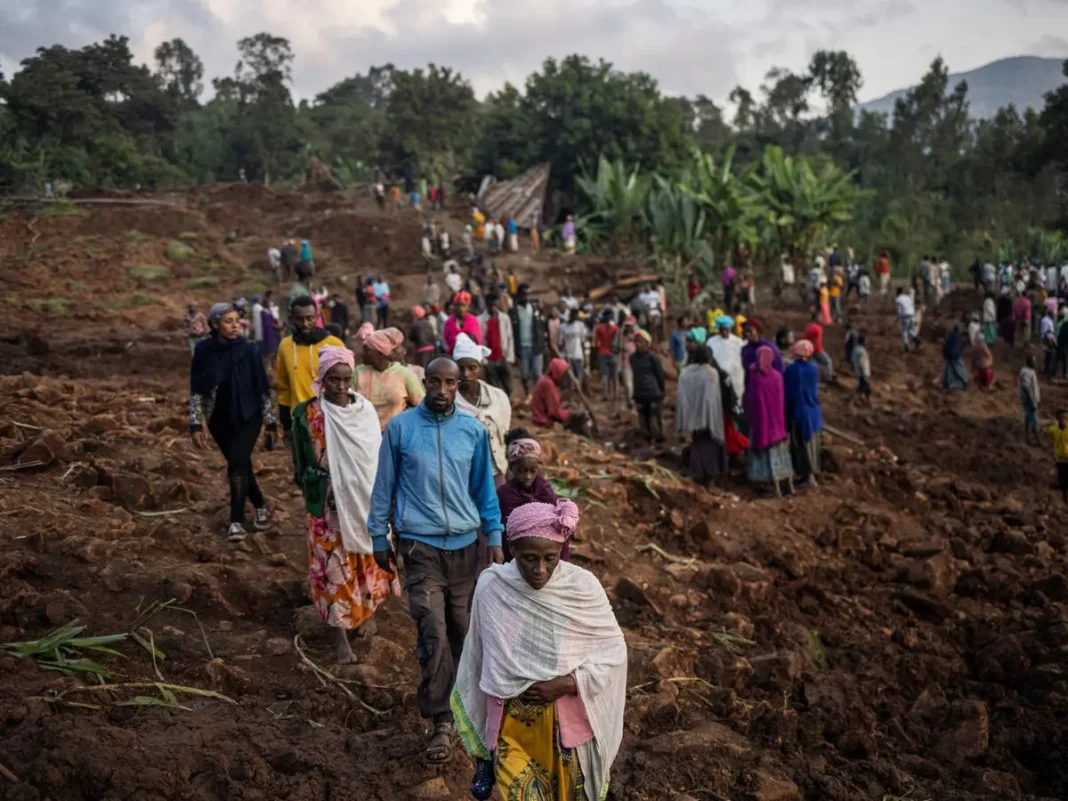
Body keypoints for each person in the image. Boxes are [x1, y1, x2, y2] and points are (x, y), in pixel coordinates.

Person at [368, 356, 504, 764]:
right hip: (419, 547)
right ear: (423, 382)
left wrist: (494, 534)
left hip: (466, 549)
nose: (443, 390)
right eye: (436, 382)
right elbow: (384, 485)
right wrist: (379, 535)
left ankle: (472, 712)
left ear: (458, 385)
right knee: (433, 629)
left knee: (463, 630)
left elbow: (484, 490)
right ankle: (441, 721)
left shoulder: (472, 430)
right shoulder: (401, 428)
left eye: (451, 383)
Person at [451, 499, 626, 801]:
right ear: (513, 549)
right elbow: (481, 655)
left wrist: (567, 683)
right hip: (510, 725)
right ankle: (487, 763)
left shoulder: (581, 589)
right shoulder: (492, 587)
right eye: (529, 558)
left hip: (563, 728)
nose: (540, 569)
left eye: (550, 558)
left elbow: (612, 653)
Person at [290, 346, 400, 663]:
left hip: (364, 502)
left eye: (345, 379)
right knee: (333, 568)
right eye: (333, 379)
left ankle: (367, 613)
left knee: (367, 558)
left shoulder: (363, 411)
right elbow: (301, 462)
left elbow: (374, 459)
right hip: (327, 509)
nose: (339, 386)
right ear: (322, 379)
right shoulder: (307, 414)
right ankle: (340, 638)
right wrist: (323, 485)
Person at [189, 304, 275, 541]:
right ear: (215, 325)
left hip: (249, 415)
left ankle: (236, 520)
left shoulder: (249, 350)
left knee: (236, 463)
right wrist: (196, 425)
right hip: (218, 418)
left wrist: (270, 423)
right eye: (228, 321)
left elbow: (262, 389)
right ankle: (259, 504)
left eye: (237, 320)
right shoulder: (204, 351)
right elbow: (196, 390)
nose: (235, 325)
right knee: (241, 464)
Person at [277, 296, 345, 444]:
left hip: (331, 417)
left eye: (310, 318)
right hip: (299, 420)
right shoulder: (285, 346)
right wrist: (286, 426)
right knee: (302, 465)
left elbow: (347, 383)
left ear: (318, 317)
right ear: (291, 319)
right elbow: (284, 388)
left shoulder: (334, 344)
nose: (305, 324)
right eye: (299, 319)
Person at [454, 334, 512, 486]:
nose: (466, 374)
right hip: (462, 476)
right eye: (460, 368)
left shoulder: (497, 397)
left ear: (479, 369)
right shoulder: (448, 401)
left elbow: (504, 435)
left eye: (472, 368)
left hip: (495, 471)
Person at [496, 432, 562, 561]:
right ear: (511, 467)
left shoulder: (545, 491)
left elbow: (557, 526)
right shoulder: (504, 495)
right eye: (522, 470)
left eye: (533, 470)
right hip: (514, 556)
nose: (528, 476)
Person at [676, 335, 727, 485]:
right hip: (710, 418)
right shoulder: (712, 373)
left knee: (697, 445)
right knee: (711, 447)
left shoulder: (686, 372)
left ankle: (697, 473)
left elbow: (682, 396)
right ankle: (710, 476)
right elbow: (714, 398)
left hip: (693, 417)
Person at [354, 328, 426, 431]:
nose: (364, 354)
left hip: (396, 434)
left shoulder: (403, 374)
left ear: (380, 353)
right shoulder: (358, 373)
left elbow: (422, 405)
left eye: (368, 350)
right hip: (364, 434)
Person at [745, 346, 794, 497]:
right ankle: (789, 486)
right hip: (778, 424)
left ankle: (775, 488)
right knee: (782, 456)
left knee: (767, 457)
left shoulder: (756, 379)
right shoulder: (778, 377)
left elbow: (754, 403)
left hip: (762, 425)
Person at [784, 340, 823, 488]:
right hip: (813, 411)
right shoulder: (814, 368)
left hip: (799, 412)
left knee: (798, 445)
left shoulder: (792, 370)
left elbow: (789, 394)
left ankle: (808, 477)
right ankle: (807, 474)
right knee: (809, 445)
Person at [630, 331, 666, 443]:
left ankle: (659, 439)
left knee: (654, 418)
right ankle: (647, 440)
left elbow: (660, 375)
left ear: (647, 343)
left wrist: (661, 391)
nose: (638, 344)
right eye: (636, 342)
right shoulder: (633, 358)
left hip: (653, 392)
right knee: (643, 420)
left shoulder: (653, 358)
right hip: (640, 393)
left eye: (640, 342)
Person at [478, 293, 515, 397]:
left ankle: (508, 403)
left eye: (495, 305)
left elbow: (509, 338)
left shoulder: (504, 318)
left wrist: (509, 357)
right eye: (491, 305)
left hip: (503, 357)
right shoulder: (480, 320)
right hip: (490, 360)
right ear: (487, 305)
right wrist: (484, 360)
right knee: (494, 387)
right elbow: (480, 341)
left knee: (508, 386)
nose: (493, 308)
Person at [531, 359, 575, 429]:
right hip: (543, 420)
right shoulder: (549, 384)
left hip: (539, 416)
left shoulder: (545, 379)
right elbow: (554, 412)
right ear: (557, 373)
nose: (564, 378)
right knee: (577, 417)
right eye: (563, 374)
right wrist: (570, 413)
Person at [594, 309, 620, 402]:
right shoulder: (615, 328)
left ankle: (605, 395)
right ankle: (615, 395)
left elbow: (596, 343)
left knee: (604, 375)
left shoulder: (598, 327)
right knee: (614, 376)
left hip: (602, 353)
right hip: (613, 353)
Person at [560, 309, 588, 388]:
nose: (574, 317)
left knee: (579, 378)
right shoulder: (563, 327)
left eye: (575, 315)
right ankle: (571, 398)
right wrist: (563, 342)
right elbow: (560, 343)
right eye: (572, 315)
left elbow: (582, 342)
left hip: (579, 355)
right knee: (569, 379)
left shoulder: (580, 325)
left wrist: (585, 357)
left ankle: (577, 397)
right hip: (568, 356)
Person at [1019, 355, 1041, 446]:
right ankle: (1038, 441)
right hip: (1029, 401)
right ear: (1030, 362)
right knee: (1034, 420)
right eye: (1034, 361)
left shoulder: (1028, 370)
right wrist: (1032, 401)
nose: (1036, 363)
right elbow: (1025, 386)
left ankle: (1027, 438)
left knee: (1028, 419)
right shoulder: (1027, 372)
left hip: (1029, 400)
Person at [942, 322, 968, 391]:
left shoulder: (950, 336)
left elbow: (945, 346)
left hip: (948, 356)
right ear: (959, 330)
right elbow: (956, 348)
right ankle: (961, 383)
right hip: (955, 357)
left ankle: (947, 385)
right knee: (960, 370)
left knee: (948, 371)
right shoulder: (957, 338)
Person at [1050, 409, 1068, 507]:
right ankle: (1065, 501)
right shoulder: (1053, 430)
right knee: (1062, 482)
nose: (1063, 420)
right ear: (1057, 419)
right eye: (1060, 418)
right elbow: (1053, 439)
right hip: (1060, 461)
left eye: (1065, 418)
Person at [895, 288, 921, 352]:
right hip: (911, 314)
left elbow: (899, 310)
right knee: (909, 330)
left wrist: (898, 318)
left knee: (904, 331)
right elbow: (911, 305)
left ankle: (906, 345)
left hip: (905, 315)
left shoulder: (898, 299)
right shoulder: (907, 297)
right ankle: (916, 338)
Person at [851, 333, 872, 407]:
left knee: (867, 389)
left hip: (859, 372)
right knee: (862, 387)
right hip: (863, 373)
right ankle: (852, 402)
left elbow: (853, 361)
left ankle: (869, 403)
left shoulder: (855, 349)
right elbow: (861, 364)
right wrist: (864, 375)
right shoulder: (861, 351)